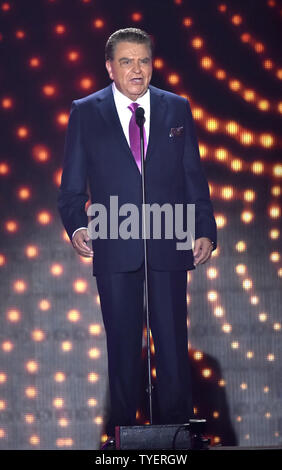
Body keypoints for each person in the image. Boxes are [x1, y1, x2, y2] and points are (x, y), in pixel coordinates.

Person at [57, 27, 217, 449]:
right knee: (123, 343)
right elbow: (71, 189)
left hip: (169, 237)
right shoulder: (86, 112)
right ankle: (125, 435)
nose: (137, 69)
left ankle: (179, 434)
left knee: (171, 338)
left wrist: (204, 229)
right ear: (110, 67)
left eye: (143, 60)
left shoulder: (175, 108)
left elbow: (192, 177)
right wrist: (77, 226)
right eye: (126, 61)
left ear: (152, 64)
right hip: (114, 238)